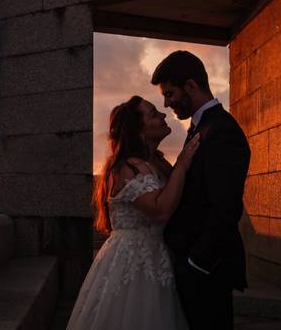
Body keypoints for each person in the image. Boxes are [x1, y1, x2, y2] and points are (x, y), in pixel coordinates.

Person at [67, 95, 199, 329]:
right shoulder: (126, 168)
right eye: (153, 114)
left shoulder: (156, 162)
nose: (163, 115)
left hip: (159, 256)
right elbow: (160, 211)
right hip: (132, 260)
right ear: (139, 129)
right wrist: (183, 164)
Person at [153, 50, 251, 330]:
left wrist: (197, 262)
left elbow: (226, 206)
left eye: (170, 94)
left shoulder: (221, 131)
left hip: (206, 270)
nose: (166, 102)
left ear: (191, 86)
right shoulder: (202, 127)